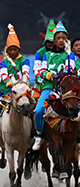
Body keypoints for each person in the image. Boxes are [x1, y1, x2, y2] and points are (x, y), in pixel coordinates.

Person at [32, 21, 76, 150]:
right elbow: (41, 71)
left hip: (66, 90)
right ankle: (39, 135)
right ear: (54, 40)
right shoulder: (47, 55)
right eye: (58, 38)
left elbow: (71, 69)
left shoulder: (70, 55)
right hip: (49, 89)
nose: (61, 41)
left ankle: (77, 137)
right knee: (39, 110)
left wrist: (64, 74)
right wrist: (51, 76)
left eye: (64, 38)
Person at [0, 24, 30, 100]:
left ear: (19, 49)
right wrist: (10, 83)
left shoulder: (25, 60)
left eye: (15, 49)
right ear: (7, 50)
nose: (12, 52)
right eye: (10, 50)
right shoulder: (4, 62)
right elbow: (4, 75)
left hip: (23, 90)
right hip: (7, 91)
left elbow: (26, 73)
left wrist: (23, 83)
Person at [33, 20, 55, 94]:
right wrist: (39, 77)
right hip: (43, 82)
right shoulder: (40, 52)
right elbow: (36, 69)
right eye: (48, 41)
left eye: (52, 42)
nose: (50, 44)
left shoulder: (62, 52)